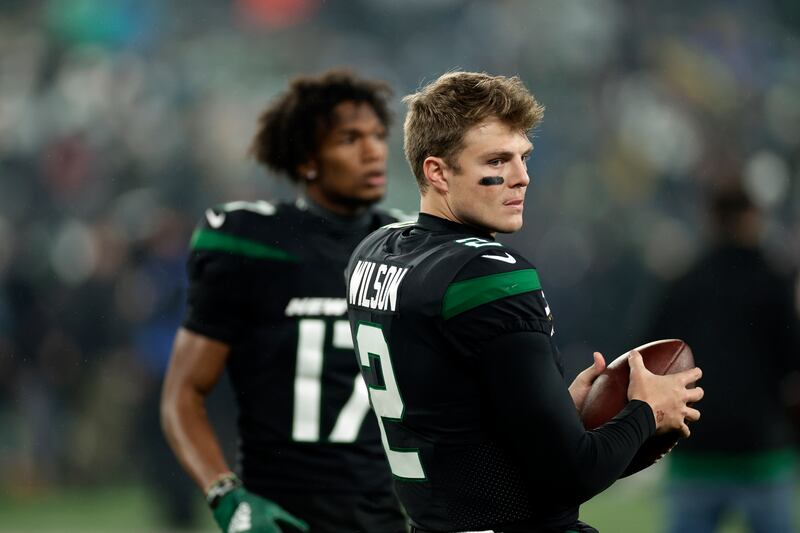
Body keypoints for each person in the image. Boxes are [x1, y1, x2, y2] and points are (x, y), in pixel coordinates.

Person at [344, 71, 704, 533]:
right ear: (437, 172)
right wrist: (646, 412)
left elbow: (450, 409)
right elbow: (574, 473)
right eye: (497, 160)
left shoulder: (373, 250)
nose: (522, 177)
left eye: (523, 157)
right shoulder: (489, 273)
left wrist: (549, 408)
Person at [161, 69, 408, 533]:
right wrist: (225, 496)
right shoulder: (249, 242)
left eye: (377, 135)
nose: (373, 150)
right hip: (280, 517)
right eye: (349, 139)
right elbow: (182, 394)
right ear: (307, 160)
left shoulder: (410, 247)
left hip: (385, 516)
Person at [645, 184, 800, 533]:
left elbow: (649, 356)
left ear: (711, 220)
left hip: (695, 449)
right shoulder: (774, 282)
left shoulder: (684, 284)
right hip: (762, 453)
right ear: (754, 217)